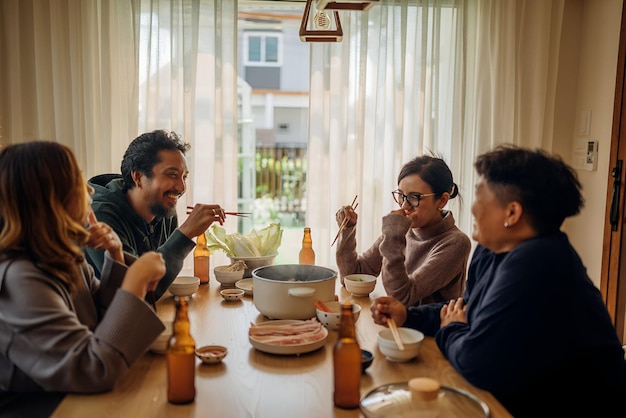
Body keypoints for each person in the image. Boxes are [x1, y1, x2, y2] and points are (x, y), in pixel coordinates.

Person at [371, 145, 626, 416]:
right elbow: (465, 309)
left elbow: (475, 361)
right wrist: (407, 316)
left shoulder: (540, 261)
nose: (472, 207)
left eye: (481, 196)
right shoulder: (492, 249)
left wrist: (451, 329)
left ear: (512, 213)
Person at [0, 141, 166, 413]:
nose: (89, 190)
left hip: (78, 399)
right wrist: (135, 280)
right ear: (52, 199)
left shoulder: (62, 256)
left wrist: (116, 256)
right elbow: (94, 368)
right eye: (78, 182)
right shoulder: (19, 280)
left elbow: (104, 322)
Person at [84, 129, 224, 300]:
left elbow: (159, 283)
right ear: (138, 177)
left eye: (184, 177)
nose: (181, 188)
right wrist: (185, 233)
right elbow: (135, 295)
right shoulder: (99, 216)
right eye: (172, 175)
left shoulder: (165, 212)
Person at [335, 155, 471, 306]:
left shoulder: (456, 243)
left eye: (414, 197)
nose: (404, 206)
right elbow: (352, 276)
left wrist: (393, 233)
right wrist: (348, 229)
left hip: (427, 329)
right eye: (401, 196)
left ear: (442, 200)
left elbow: (401, 297)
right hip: (398, 325)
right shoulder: (405, 229)